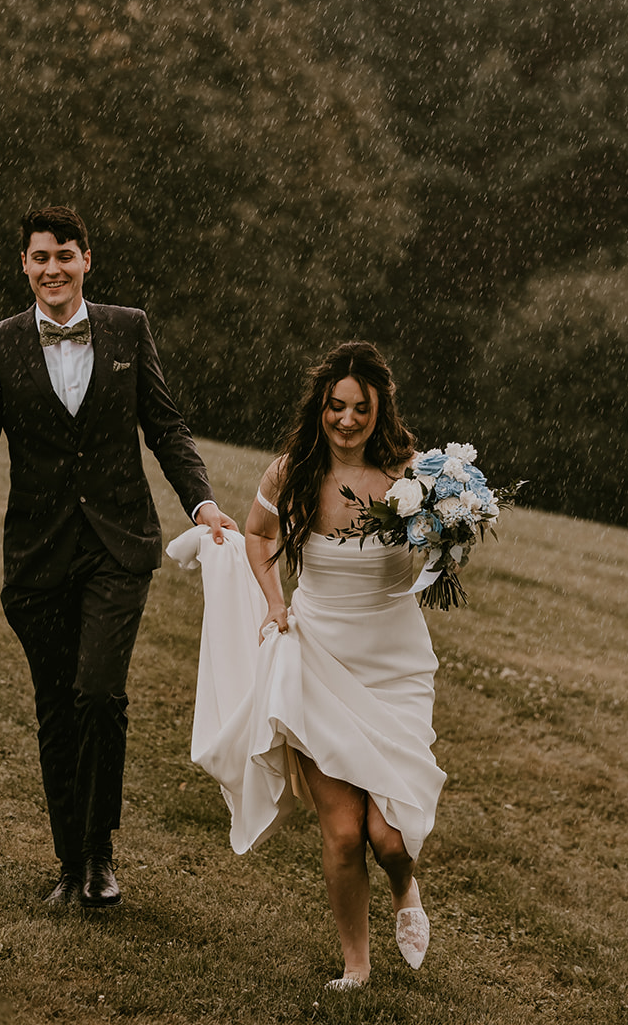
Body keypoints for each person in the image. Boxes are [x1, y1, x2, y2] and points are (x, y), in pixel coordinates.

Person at [0, 205, 236, 910]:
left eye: (64, 255)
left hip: (116, 548)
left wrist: (202, 503)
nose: (51, 269)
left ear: (86, 261)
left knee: (97, 693)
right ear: (24, 265)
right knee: (57, 707)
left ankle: (99, 854)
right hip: (38, 558)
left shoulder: (129, 329)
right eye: (39, 257)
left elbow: (165, 426)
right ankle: (69, 862)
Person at [179, 341, 444, 989]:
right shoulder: (291, 472)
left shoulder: (411, 476)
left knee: (387, 835)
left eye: (359, 407)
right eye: (335, 406)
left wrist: (449, 540)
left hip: (393, 666)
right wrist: (274, 603)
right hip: (317, 657)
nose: (346, 419)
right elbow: (259, 534)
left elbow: (442, 543)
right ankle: (356, 964)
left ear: (379, 409)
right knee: (344, 831)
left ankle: (404, 889)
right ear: (320, 407)